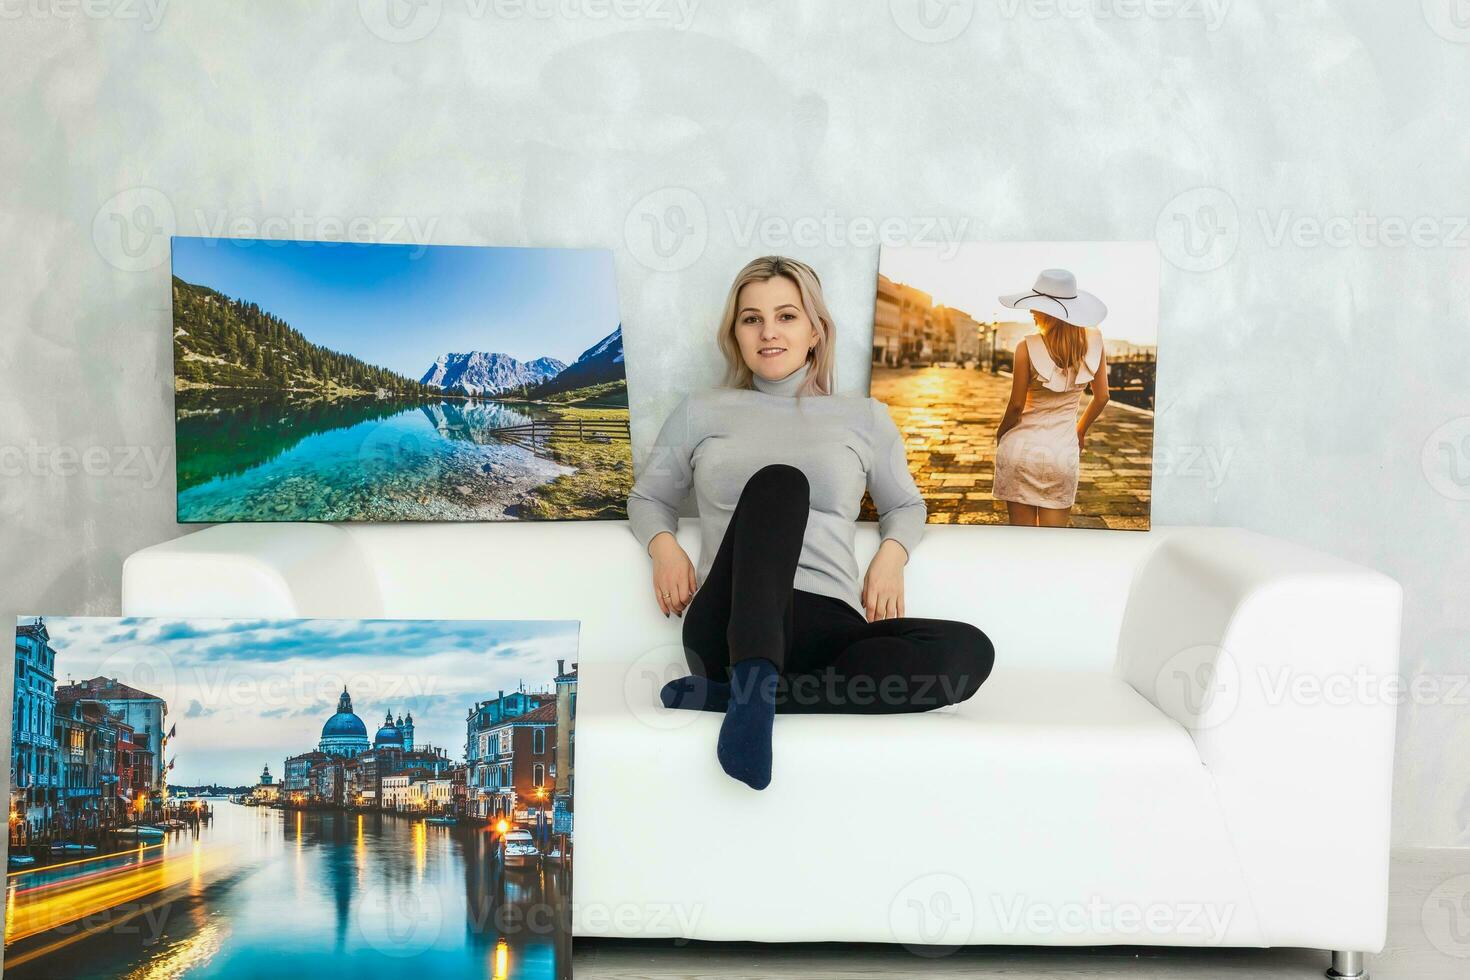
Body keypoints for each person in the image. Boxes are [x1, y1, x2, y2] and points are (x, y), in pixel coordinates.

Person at [626, 256, 995, 791]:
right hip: (727, 631)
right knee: (781, 482)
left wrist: (891, 559)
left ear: (816, 330)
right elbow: (648, 497)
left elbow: (906, 506)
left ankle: (747, 700)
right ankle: (750, 686)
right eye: (751, 318)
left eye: (787, 316)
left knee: (971, 651)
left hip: (829, 631)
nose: (769, 331)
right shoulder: (700, 411)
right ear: (735, 332)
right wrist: (664, 548)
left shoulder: (863, 417)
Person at [993, 269, 1112, 527]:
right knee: (1053, 543)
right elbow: (1102, 397)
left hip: (1021, 450)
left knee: (1022, 540)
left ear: (1051, 312)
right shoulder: (1094, 343)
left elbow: (1015, 406)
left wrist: (1000, 434)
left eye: (1036, 306)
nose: (1031, 311)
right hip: (1062, 452)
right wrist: (1080, 431)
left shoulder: (1025, 347)